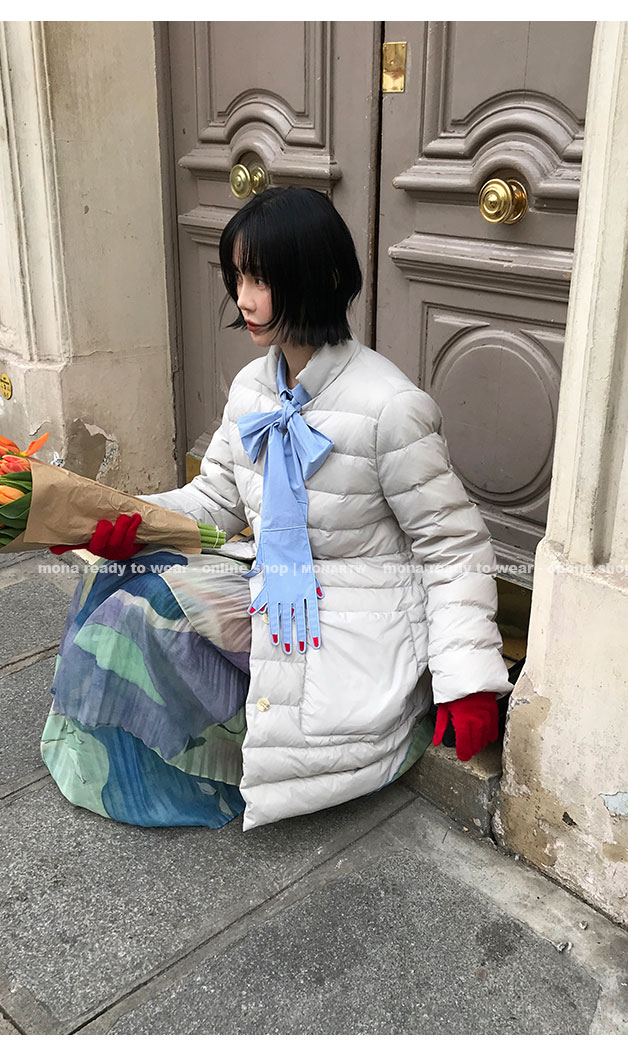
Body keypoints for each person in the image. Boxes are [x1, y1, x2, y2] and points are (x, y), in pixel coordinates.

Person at [42, 186, 511, 831]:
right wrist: (116, 519)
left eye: (260, 279)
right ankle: (132, 758)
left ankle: (230, 752)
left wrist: (468, 678)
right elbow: (216, 499)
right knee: (123, 578)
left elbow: (451, 545)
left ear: (319, 277)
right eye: (237, 278)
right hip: (272, 582)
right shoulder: (252, 387)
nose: (244, 299)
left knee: (149, 609)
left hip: (352, 613)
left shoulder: (390, 406)